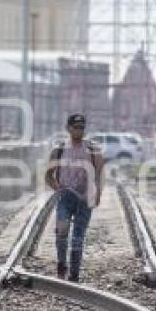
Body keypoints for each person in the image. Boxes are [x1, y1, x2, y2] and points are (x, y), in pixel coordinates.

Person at [44, 113, 104, 281]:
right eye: (76, 127)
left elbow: (99, 175)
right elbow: (48, 175)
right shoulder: (59, 150)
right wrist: (57, 188)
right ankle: (62, 264)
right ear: (68, 128)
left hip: (85, 198)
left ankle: (74, 274)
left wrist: (98, 192)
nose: (79, 131)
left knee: (78, 236)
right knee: (62, 231)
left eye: (82, 128)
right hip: (66, 197)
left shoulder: (93, 150)